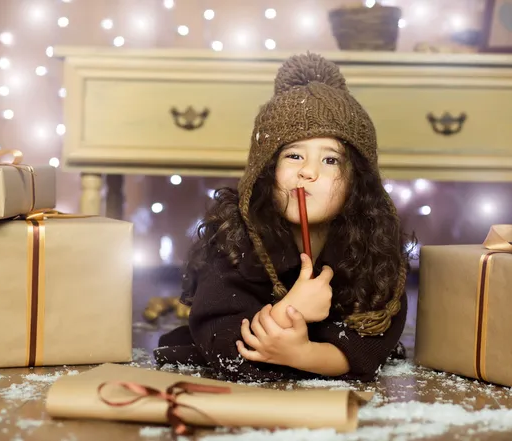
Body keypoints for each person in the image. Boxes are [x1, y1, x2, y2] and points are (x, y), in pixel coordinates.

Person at [154, 52, 412, 382]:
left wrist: (304, 355)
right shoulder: (235, 240)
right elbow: (222, 342)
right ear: (266, 171)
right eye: (293, 155)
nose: (308, 171)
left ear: (357, 181)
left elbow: (368, 350)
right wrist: (293, 309)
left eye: (330, 160)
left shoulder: (372, 249)